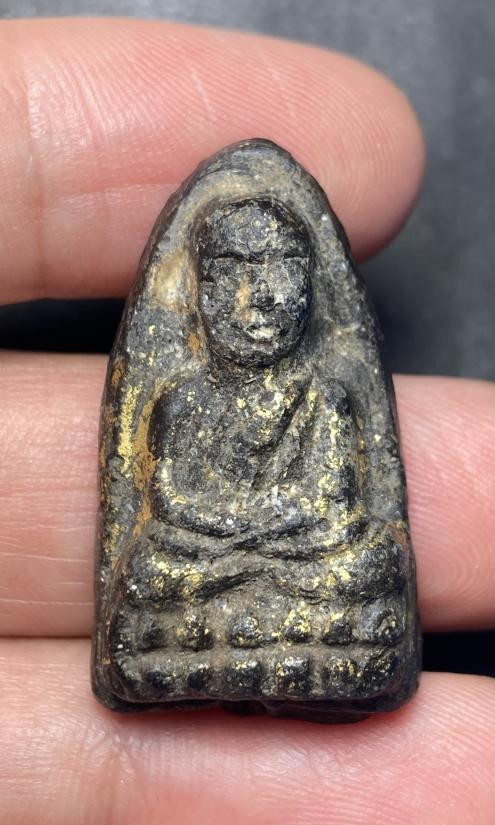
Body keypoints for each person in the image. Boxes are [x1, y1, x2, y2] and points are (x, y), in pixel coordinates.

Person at [0, 16, 493, 824]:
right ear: (197, 291)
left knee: (367, 567)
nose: (257, 298)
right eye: (232, 271)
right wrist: (240, 543)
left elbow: (338, 515)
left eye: (279, 269)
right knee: (150, 571)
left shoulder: (326, 395)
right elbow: (169, 509)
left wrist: (255, 543)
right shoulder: (183, 399)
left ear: (309, 284)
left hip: (297, 570)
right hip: (205, 568)